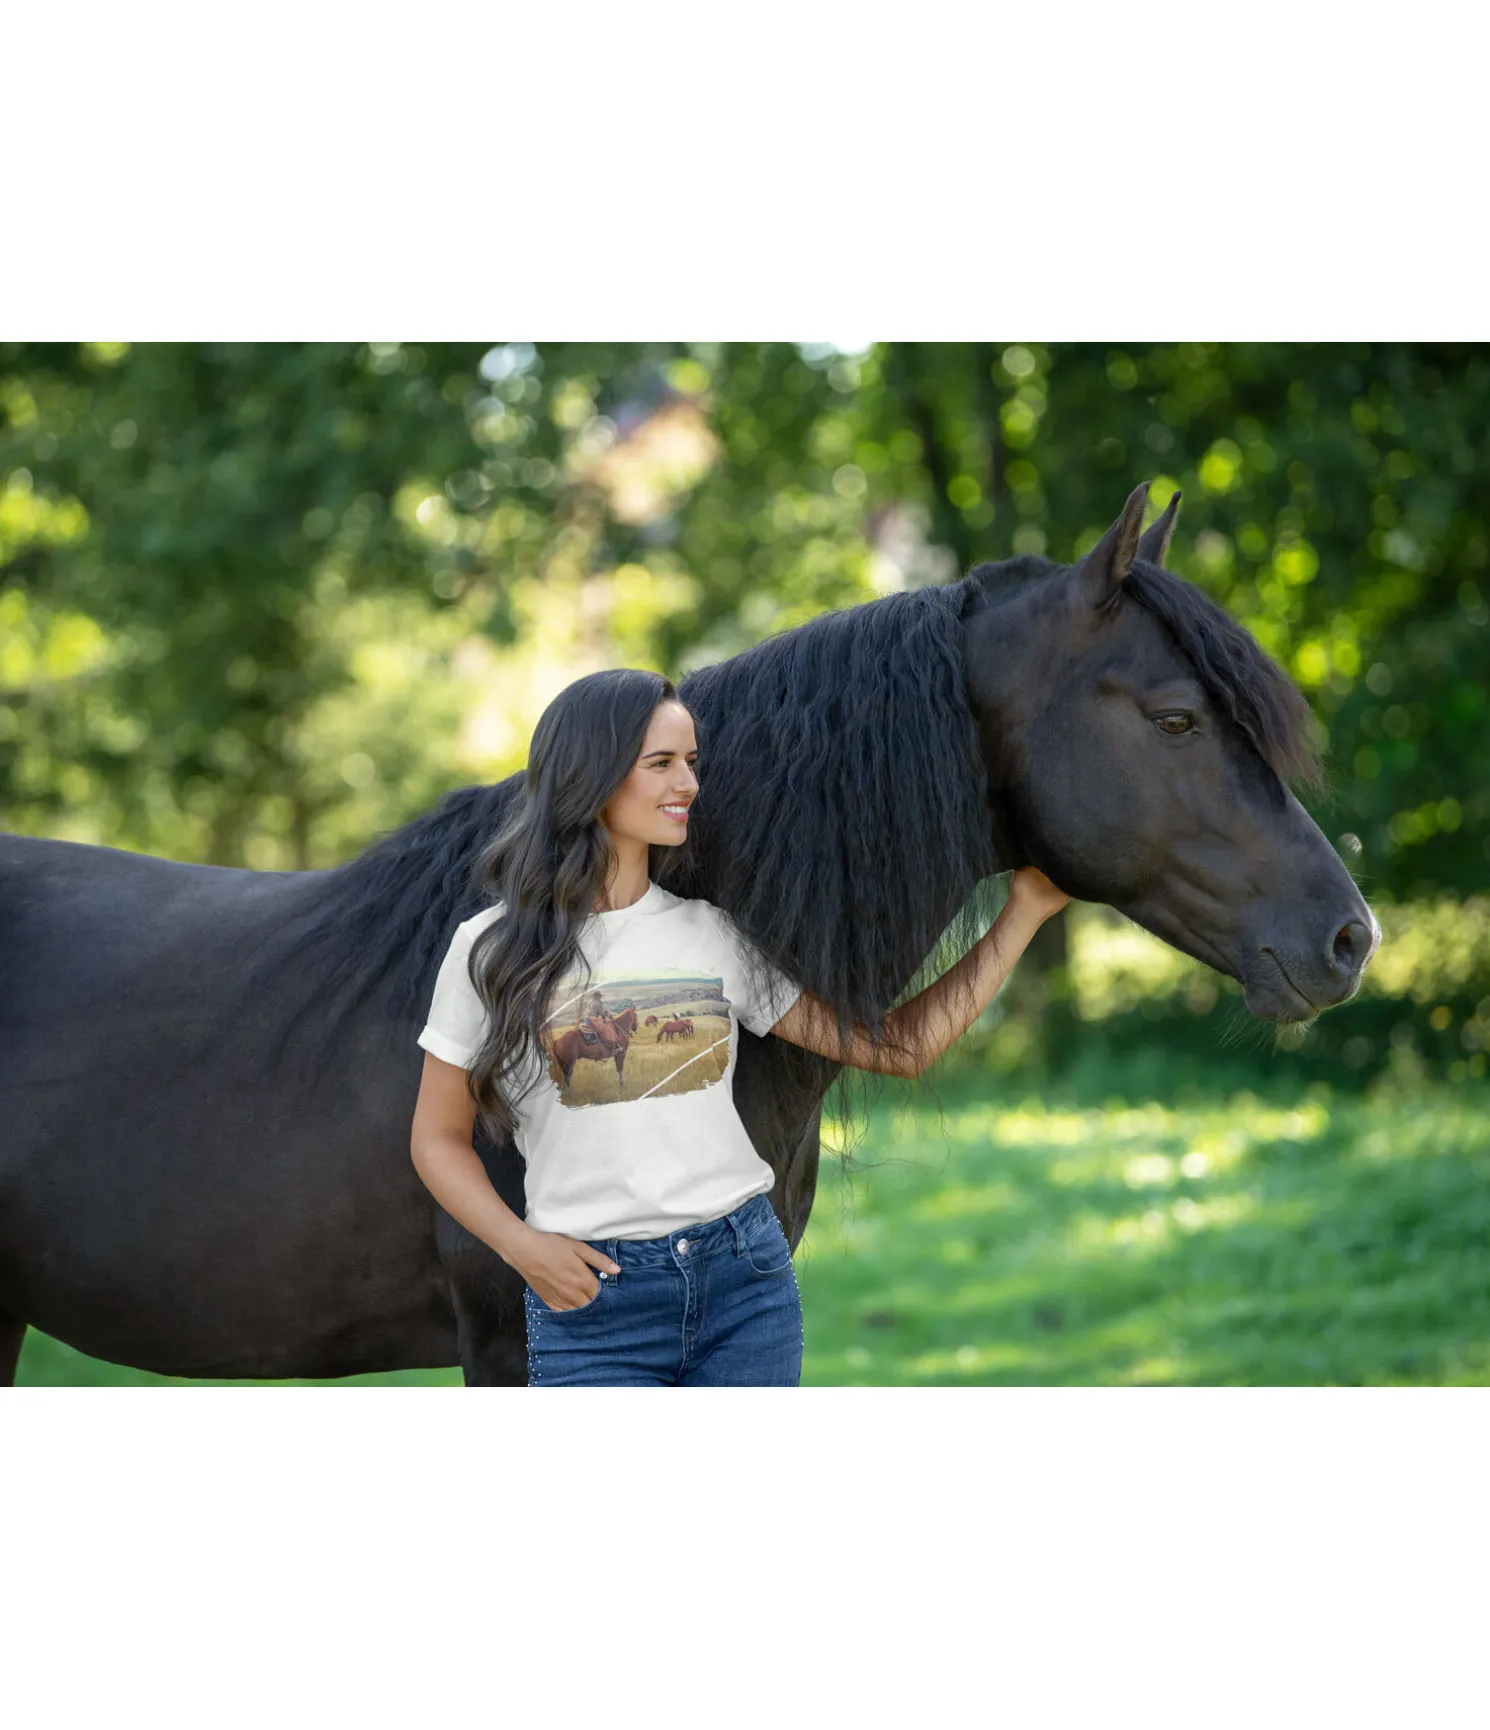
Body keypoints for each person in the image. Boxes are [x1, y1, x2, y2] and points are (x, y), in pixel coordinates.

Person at [408, 668, 1070, 1387]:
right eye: (661, 763)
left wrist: (1025, 911)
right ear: (591, 775)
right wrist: (521, 1247)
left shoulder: (711, 935)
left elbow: (901, 1050)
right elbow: (436, 1138)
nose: (689, 784)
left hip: (743, 1286)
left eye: (691, 762)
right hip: (595, 1304)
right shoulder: (490, 951)